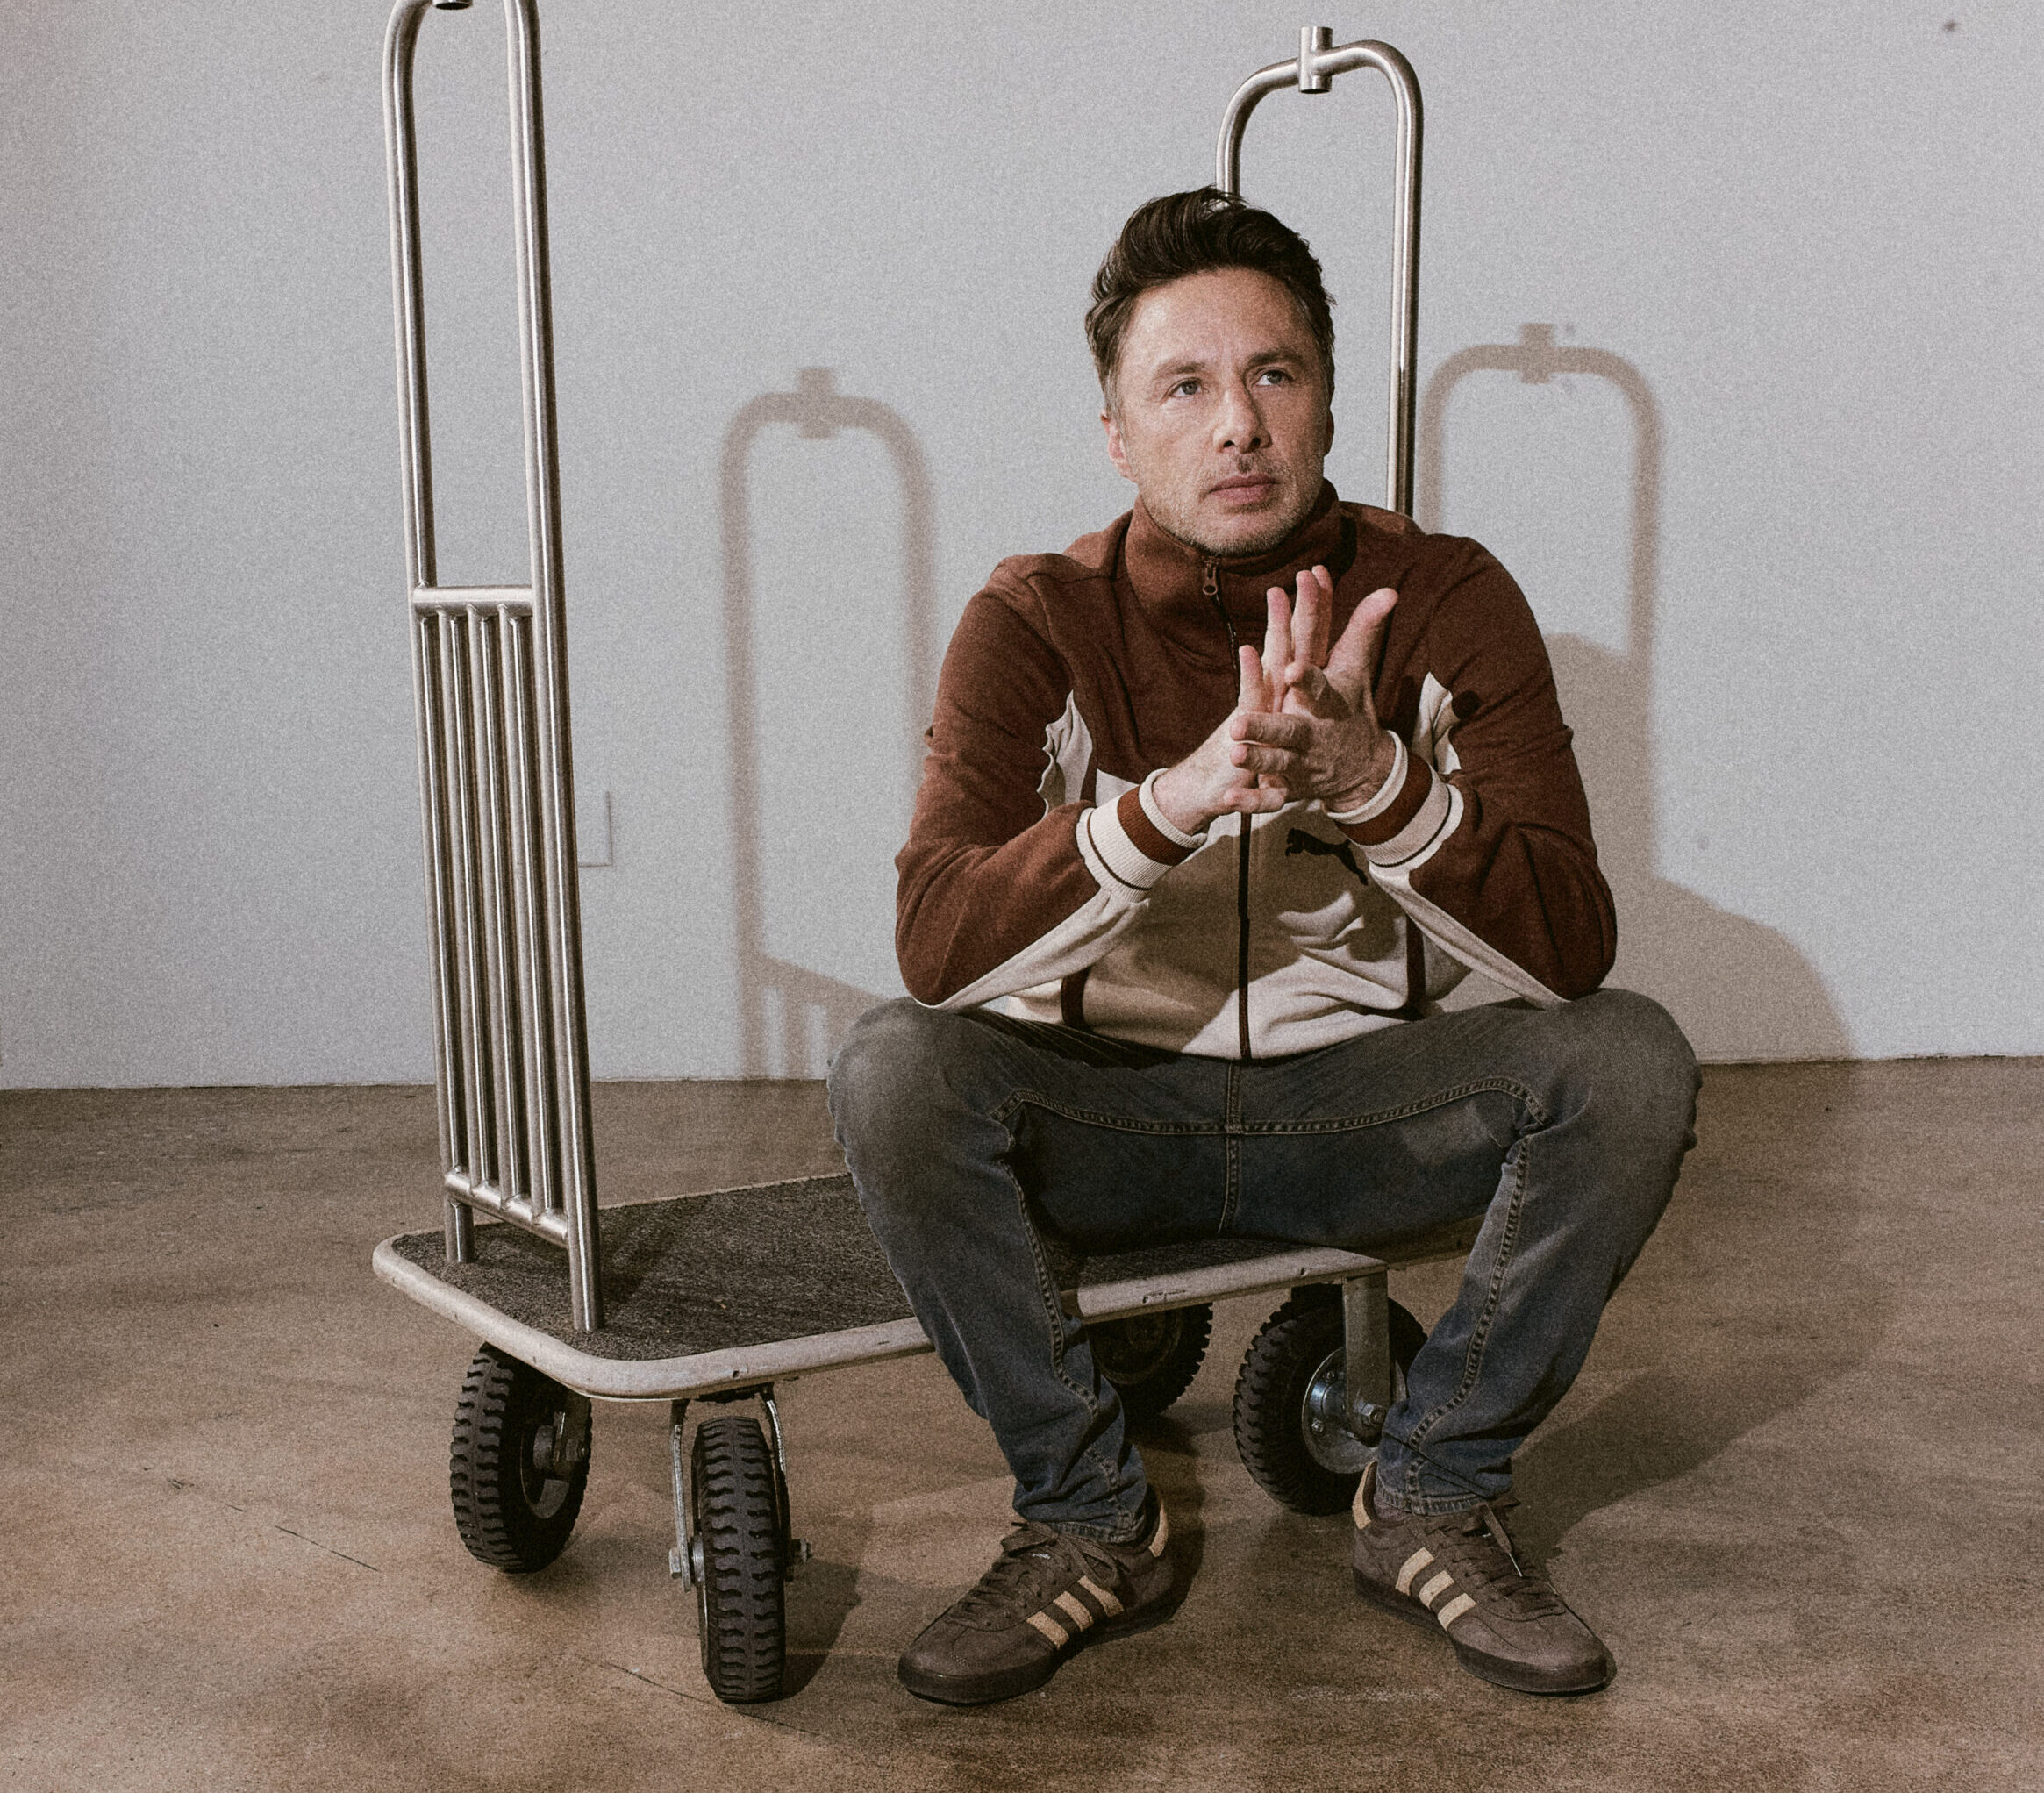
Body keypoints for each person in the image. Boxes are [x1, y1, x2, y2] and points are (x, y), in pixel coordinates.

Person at [827, 187, 1697, 1708]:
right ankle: (1086, 1519)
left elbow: (1570, 944)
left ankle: (1429, 1491)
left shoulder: (1446, 596)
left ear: (1325, 403)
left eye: (1273, 374)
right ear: (1117, 434)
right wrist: (1168, 804)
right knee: (894, 1068)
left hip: (1358, 1115)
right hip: (1113, 1117)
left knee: (1627, 1060)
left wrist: (1377, 786)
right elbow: (934, 941)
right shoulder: (1034, 617)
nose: (1236, 423)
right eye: (1183, 387)